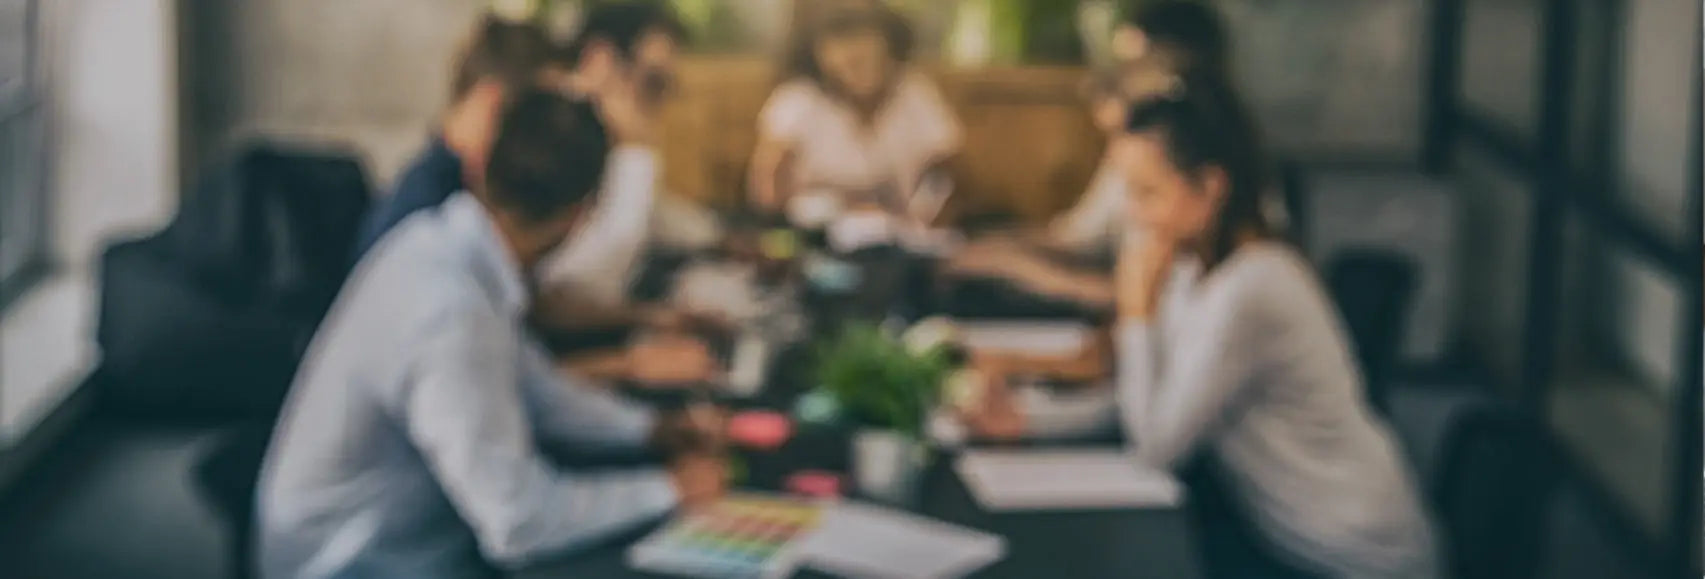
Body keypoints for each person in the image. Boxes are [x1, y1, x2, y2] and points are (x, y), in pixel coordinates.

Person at [258, 90, 730, 579]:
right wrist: (668, 489)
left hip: (392, 545)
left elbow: (534, 387)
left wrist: (648, 430)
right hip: (353, 566)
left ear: (481, 167)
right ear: (582, 213)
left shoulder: (443, 246)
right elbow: (518, 523)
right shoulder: (447, 312)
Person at [1108, 72, 1441, 577]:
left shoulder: (1252, 287)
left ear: (1211, 186)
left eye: (1147, 193)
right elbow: (1155, 390)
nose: (1133, 216)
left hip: (1352, 557)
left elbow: (1157, 448)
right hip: (1286, 541)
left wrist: (1134, 315)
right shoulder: (1194, 266)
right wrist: (1030, 421)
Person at [944, 0, 1233, 308]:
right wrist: (996, 249)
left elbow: (1145, 297)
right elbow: (1081, 239)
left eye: (1133, 66)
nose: (1119, 80)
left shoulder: (1192, 163)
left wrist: (1026, 270)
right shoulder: (1135, 149)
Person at [748, 1, 961, 225]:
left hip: (899, 234)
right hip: (817, 234)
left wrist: (929, 217)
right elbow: (767, 190)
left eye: (865, 56)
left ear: (889, 48)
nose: (855, 63)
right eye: (846, 62)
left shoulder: (915, 93)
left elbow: (951, 174)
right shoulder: (798, 101)